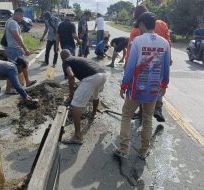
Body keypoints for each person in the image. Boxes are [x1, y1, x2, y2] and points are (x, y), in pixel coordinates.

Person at [114, 12, 170, 160]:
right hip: (153, 89)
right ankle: (143, 151)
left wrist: (124, 85)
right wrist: (164, 85)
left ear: (143, 24)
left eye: (139, 24)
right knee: (147, 119)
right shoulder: (164, 43)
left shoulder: (137, 41)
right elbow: (166, 68)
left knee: (126, 115)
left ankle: (124, 148)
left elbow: (130, 67)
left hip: (136, 89)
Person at [126, 5, 172, 122]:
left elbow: (130, 52)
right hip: (160, 59)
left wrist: (127, 66)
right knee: (157, 82)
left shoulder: (137, 30)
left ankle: (143, 111)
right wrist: (169, 57)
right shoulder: (162, 24)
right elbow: (168, 41)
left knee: (141, 84)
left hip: (142, 63)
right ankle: (157, 108)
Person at [60, 49, 107, 145]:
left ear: (62, 58)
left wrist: (71, 92)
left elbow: (71, 76)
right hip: (103, 74)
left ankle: (77, 136)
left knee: (75, 104)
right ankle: (93, 114)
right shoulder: (77, 58)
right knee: (95, 95)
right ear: (71, 54)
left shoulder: (66, 61)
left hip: (92, 77)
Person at [5, 8, 36, 93]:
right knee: (13, 69)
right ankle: (8, 89)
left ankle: (27, 81)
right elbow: (17, 37)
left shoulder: (10, 21)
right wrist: (25, 49)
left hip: (15, 49)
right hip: (14, 49)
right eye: (21, 16)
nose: (22, 18)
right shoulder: (13, 23)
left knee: (23, 65)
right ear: (16, 14)